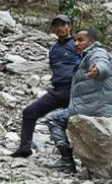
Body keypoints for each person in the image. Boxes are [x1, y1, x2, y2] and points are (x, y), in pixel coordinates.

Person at [44, 29, 112, 173]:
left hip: (100, 107)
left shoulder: (96, 52)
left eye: (81, 40)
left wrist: (97, 69)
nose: (76, 43)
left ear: (91, 42)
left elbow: (101, 63)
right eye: (75, 40)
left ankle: (66, 162)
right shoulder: (88, 56)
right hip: (107, 106)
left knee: (53, 120)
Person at [10, 15, 79, 157]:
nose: (59, 28)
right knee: (29, 112)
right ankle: (24, 149)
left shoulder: (76, 45)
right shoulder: (53, 49)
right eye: (56, 26)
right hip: (57, 90)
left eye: (62, 25)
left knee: (70, 123)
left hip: (74, 90)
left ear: (69, 27)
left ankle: (70, 157)